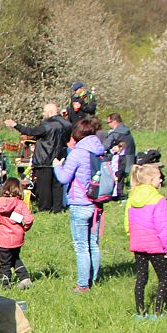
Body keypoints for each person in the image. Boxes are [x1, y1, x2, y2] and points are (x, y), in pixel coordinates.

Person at [54, 115, 107, 291]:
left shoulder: (78, 153)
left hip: (80, 203)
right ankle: (94, 279)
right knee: (94, 244)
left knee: (81, 246)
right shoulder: (99, 150)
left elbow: (64, 178)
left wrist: (57, 166)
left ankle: (83, 284)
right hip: (97, 202)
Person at [125, 163, 167, 319]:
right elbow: (162, 227)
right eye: (159, 177)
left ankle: (139, 313)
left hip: (137, 243)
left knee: (141, 278)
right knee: (164, 278)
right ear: (151, 179)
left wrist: (132, 236)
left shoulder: (132, 197)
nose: (161, 180)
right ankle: (157, 312)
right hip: (155, 245)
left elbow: (127, 222)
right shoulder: (159, 199)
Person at [5, 103, 71, 213]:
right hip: (60, 158)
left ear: (50, 112)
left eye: (44, 112)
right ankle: (57, 209)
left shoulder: (46, 125)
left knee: (44, 187)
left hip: (44, 159)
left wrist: (15, 125)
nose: (43, 114)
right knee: (57, 185)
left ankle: (45, 209)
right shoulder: (68, 124)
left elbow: (30, 132)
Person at [0, 177, 34, 289]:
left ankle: (5, 284)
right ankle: (25, 279)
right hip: (17, 238)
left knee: (5, 263)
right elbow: (29, 220)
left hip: (3, 239)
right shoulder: (20, 203)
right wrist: (24, 229)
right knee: (14, 258)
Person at [104, 112, 137, 179]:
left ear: (114, 122)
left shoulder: (115, 133)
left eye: (108, 122)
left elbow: (105, 146)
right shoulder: (126, 130)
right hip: (131, 158)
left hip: (121, 162)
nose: (108, 125)